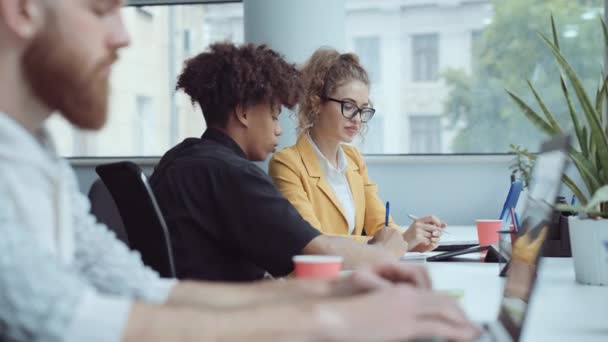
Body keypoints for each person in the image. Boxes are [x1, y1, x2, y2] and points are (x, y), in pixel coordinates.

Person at [0, 0, 479, 340]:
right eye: (101, 8)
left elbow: (147, 291)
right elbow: (63, 321)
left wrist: (333, 298)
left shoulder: (38, 159)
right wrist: (330, 321)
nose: (125, 33)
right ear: (22, 9)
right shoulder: (229, 172)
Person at [149, 42, 412, 282]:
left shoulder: (179, 158)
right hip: (221, 317)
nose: (278, 130)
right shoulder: (234, 174)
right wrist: (386, 252)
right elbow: (317, 252)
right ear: (243, 113)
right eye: (274, 116)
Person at [269, 47, 447, 252]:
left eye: (363, 109)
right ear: (316, 103)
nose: (357, 118)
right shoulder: (286, 164)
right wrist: (400, 241)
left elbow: (380, 224)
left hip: (357, 271)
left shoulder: (353, 160)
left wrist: (418, 238)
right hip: (316, 279)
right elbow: (313, 241)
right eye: (349, 105)